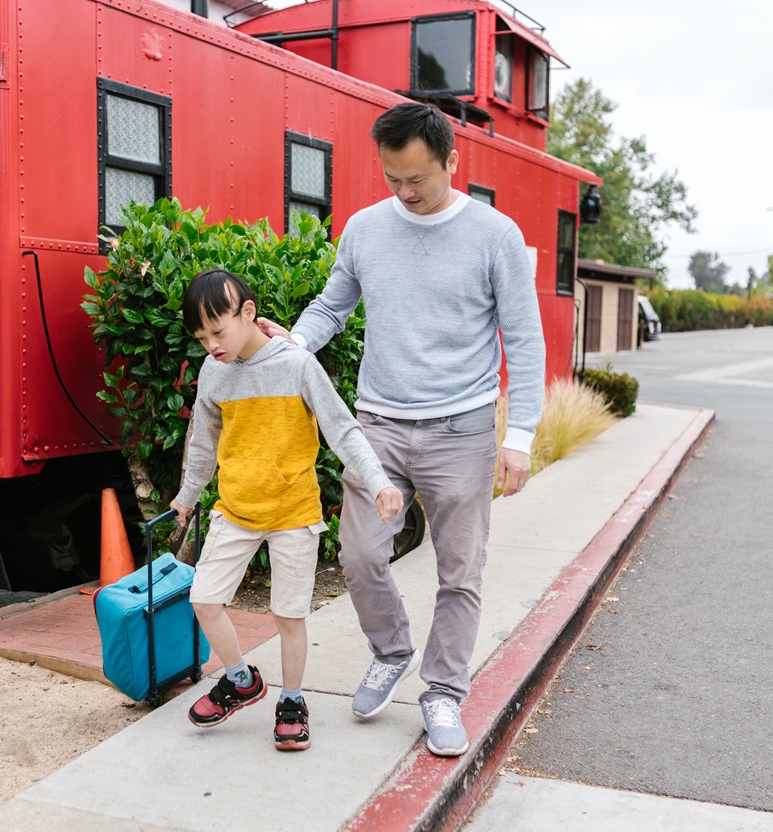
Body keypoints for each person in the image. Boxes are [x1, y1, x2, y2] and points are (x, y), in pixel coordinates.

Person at [257, 102, 545, 756]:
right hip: (378, 425)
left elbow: (524, 341)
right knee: (358, 557)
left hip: (462, 429)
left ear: (451, 161)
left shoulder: (494, 236)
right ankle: (391, 651)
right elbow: (333, 304)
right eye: (393, 179)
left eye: (418, 178)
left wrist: (520, 435)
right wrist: (294, 346)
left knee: (459, 571)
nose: (406, 192)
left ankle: (442, 692)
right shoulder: (365, 228)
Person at [170, 268, 403, 752]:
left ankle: (292, 701)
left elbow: (342, 428)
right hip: (236, 509)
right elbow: (202, 445)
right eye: (201, 337)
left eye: (219, 330)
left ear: (248, 313)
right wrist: (187, 498)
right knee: (204, 600)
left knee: (289, 616)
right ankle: (240, 680)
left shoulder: (296, 365)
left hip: (294, 513)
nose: (211, 344)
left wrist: (378, 481)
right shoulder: (214, 373)